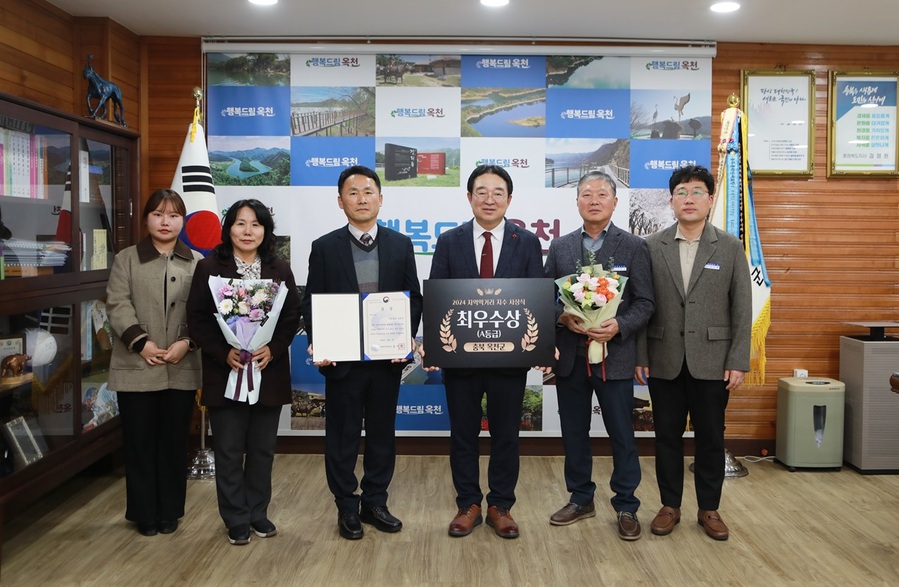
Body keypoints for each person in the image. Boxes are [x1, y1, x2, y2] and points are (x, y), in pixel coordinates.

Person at [301, 165, 422, 541]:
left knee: (383, 434)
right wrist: (319, 340)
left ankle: (375, 502)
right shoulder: (324, 247)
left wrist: (404, 339)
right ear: (341, 201)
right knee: (342, 436)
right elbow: (312, 302)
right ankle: (346, 506)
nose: (361, 198)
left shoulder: (401, 244)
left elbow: (412, 297)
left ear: (381, 199)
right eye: (352, 193)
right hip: (343, 363)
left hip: (386, 361)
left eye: (368, 192)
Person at [635, 164, 751, 541]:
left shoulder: (730, 247)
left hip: (713, 361)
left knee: (711, 438)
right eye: (682, 192)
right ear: (671, 201)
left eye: (697, 191)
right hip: (663, 357)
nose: (689, 198)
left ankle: (710, 509)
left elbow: (742, 309)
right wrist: (640, 354)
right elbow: (640, 304)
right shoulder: (651, 246)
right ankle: (670, 506)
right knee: (666, 436)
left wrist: (737, 359)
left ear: (710, 199)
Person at [429, 164, 544, 539]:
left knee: (506, 434)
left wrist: (539, 345)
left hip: (510, 360)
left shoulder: (526, 242)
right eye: (481, 191)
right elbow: (438, 296)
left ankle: (500, 505)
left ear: (509, 199)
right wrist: (434, 343)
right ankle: (468, 504)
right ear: (469, 197)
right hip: (460, 360)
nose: (489, 199)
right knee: (462, 433)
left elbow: (536, 299)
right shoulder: (450, 241)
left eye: (498, 192)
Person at [543, 170, 654, 540]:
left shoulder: (634, 246)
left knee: (622, 433)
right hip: (570, 358)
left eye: (602, 194)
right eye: (586, 194)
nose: (594, 200)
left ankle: (626, 504)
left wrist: (619, 325)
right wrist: (561, 315)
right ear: (576, 202)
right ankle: (580, 498)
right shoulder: (559, 248)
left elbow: (645, 302)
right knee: (574, 432)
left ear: (614, 202)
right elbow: (545, 297)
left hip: (616, 357)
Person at [186, 199, 301, 545]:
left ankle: (258, 513)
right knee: (229, 449)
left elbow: (291, 315)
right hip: (227, 373)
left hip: (268, 371)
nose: (248, 231)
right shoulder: (209, 268)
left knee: (263, 449)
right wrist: (225, 353)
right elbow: (197, 319)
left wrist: (274, 348)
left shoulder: (279, 268)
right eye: (240, 223)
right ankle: (235, 517)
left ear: (265, 231)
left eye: (256, 224)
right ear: (228, 229)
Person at [106, 188, 203, 537]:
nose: (166, 221)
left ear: (183, 221)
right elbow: (117, 304)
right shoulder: (127, 258)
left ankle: (170, 512)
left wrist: (186, 343)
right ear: (146, 218)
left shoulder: (196, 262)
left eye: (174, 215)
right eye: (159, 214)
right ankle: (144, 513)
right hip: (137, 366)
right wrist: (141, 343)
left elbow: (202, 314)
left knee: (175, 443)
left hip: (180, 364)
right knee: (140, 442)